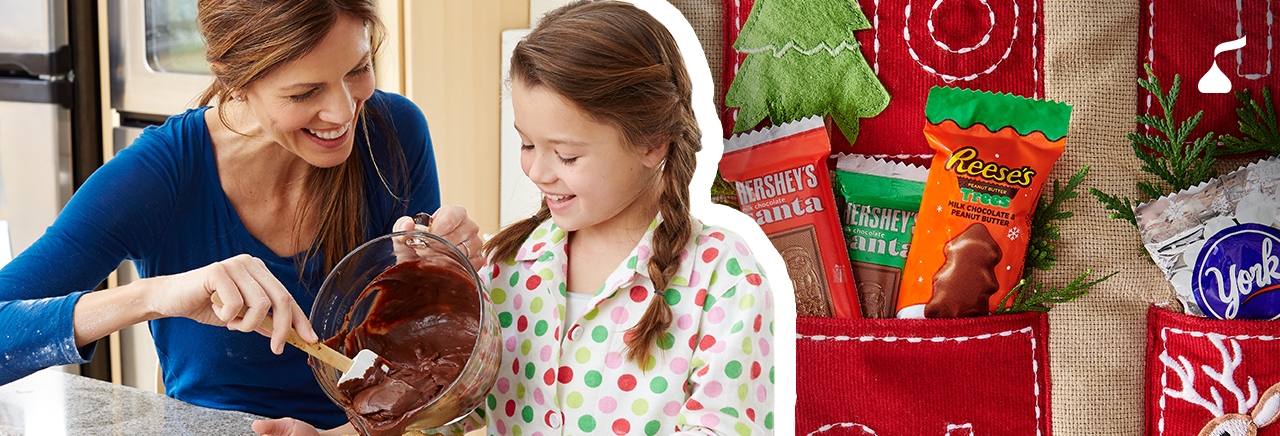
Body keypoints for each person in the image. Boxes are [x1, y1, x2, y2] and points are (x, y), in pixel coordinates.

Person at [253, 1, 776, 435]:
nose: (538, 171)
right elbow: (449, 411)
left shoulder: (724, 280)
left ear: (651, 142)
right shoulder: (511, 267)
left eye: (567, 156)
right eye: (527, 144)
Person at [0, 0, 482, 430]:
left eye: (358, 70)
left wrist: (445, 274)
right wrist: (156, 296)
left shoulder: (393, 133)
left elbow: (431, 371)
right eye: (303, 93)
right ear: (234, 80)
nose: (342, 111)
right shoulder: (158, 176)